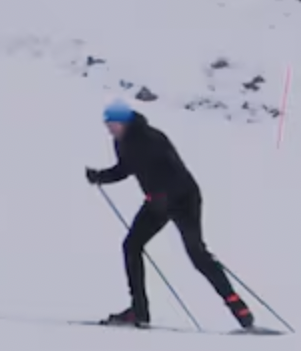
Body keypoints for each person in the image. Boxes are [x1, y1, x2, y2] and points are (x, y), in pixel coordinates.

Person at [85, 101, 255, 329]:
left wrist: (163, 196)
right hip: (157, 202)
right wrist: (100, 176)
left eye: (112, 124)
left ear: (124, 122)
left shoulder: (151, 138)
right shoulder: (122, 142)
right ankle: (139, 311)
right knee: (131, 246)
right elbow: (125, 169)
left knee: (197, 255)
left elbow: (174, 170)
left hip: (184, 199)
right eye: (107, 124)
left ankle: (240, 311)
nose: (109, 128)